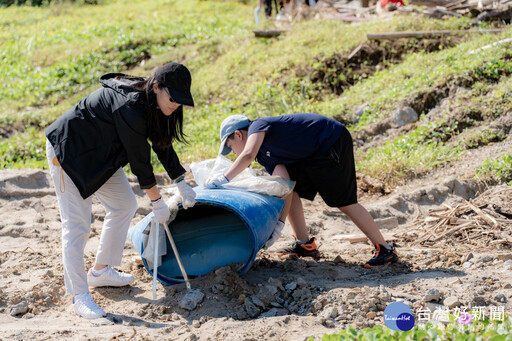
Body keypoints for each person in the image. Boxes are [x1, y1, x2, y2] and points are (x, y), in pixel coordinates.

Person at [45, 62, 197, 319]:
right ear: (157, 87)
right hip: (69, 153)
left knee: (124, 204)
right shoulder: (130, 105)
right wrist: (157, 201)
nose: (176, 105)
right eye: (173, 98)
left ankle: (100, 271)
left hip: (101, 156)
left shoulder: (155, 103)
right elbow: (140, 161)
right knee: (78, 225)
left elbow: (162, 144)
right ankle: (79, 296)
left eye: (181, 101)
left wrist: (181, 182)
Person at [205, 113, 398, 268]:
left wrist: (224, 178)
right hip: (312, 154)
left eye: (231, 147)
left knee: (343, 202)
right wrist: (279, 225)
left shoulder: (258, 126)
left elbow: (247, 154)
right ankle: (305, 244)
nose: (234, 153)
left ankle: (385, 249)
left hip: (331, 140)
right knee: (294, 189)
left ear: (238, 134)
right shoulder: (264, 156)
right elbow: (285, 187)